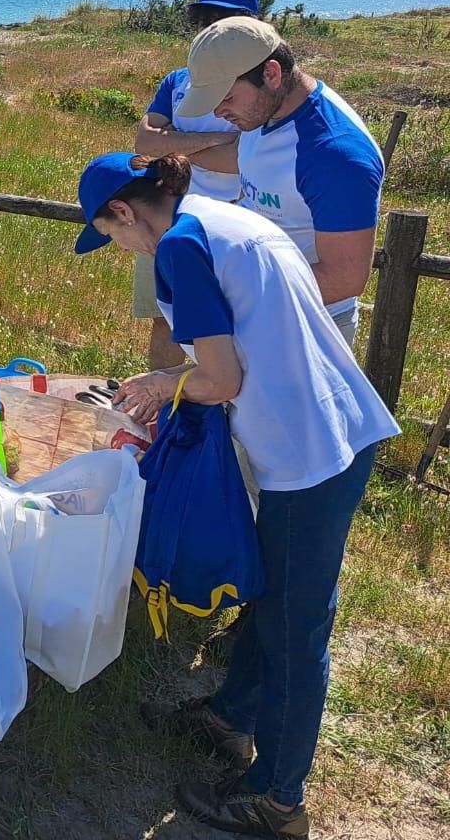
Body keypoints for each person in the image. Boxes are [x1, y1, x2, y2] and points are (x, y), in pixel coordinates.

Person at [73, 151, 397, 839]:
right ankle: (230, 719)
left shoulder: (180, 251)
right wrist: (174, 379)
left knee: (292, 628)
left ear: (127, 212)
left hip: (307, 452)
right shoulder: (222, 218)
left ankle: (278, 800)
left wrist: (161, 385)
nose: (117, 247)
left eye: (110, 234)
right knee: (274, 599)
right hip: (337, 421)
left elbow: (221, 380)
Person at [178, 16, 384, 347]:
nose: (218, 112)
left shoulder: (334, 155)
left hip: (306, 327)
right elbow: (261, 177)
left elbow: (343, 279)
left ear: (271, 74)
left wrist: (228, 298)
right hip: (258, 310)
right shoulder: (263, 113)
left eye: (226, 98)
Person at [132, 0, 259, 368]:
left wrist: (176, 145)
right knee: (166, 318)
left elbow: (243, 160)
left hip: (237, 222)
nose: (212, 28)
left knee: (231, 324)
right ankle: (163, 409)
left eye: (223, 19)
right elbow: (145, 142)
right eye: (207, 19)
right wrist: (211, 143)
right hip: (169, 217)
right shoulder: (178, 80)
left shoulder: (259, 91)